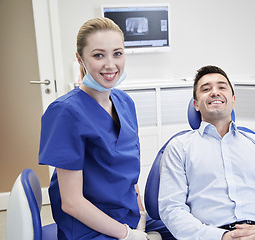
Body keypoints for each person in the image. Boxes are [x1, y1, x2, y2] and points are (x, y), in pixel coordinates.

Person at [39, 17, 173, 240]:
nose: (110, 65)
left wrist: (140, 216)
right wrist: (127, 235)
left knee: (189, 231)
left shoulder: (125, 103)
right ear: (80, 58)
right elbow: (72, 203)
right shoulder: (65, 112)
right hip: (89, 228)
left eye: (117, 53)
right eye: (98, 55)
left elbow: (129, 175)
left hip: (127, 215)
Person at [158, 65, 255, 240]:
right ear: (196, 104)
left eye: (222, 87)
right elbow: (172, 209)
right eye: (206, 89)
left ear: (233, 100)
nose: (214, 92)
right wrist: (222, 237)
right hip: (211, 235)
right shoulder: (179, 148)